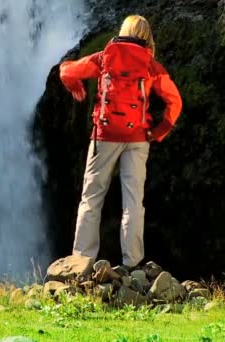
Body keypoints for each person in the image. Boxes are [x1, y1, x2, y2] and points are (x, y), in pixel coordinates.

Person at [59, 15, 183, 271]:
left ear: (123, 31)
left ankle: (81, 260)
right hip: (138, 138)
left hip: (104, 136)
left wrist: (75, 85)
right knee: (133, 202)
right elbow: (175, 101)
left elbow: (67, 70)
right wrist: (159, 131)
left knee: (91, 198)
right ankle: (133, 264)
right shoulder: (151, 66)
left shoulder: (105, 57)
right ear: (148, 37)